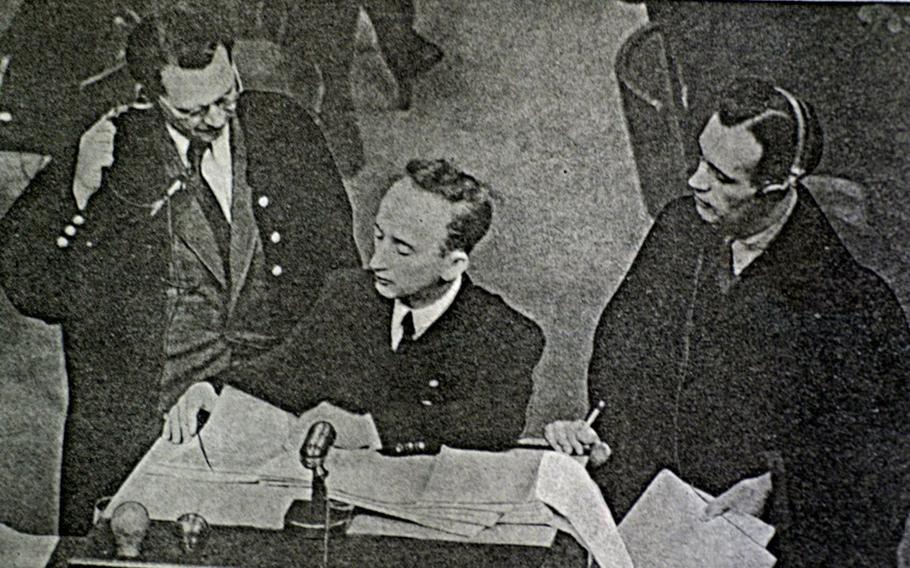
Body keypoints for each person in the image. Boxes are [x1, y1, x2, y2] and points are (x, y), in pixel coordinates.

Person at [0, 3, 357, 535]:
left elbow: (340, 279)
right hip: (139, 428)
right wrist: (77, 194)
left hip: (269, 407)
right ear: (149, 96)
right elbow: (35, 288)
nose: (216, 119)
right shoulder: (108, 147)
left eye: (227, 95)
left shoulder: (287, 131)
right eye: (192, 111)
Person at [545, 78, 909, 565]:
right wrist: (603, 434)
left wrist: (777, 488)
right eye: (700, 160)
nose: (696, 182)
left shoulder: (854, 297)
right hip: (657, 516)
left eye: (721, 176)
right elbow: (620, 352)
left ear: (776, 187)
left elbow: (880, 453)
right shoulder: (678, 229)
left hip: (760, 543)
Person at [171, 159, 544, 454]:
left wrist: (372, 428)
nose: (376, 261)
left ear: (453, 265)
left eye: (402, 249)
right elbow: (284, 368)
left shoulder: (505, 334)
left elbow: (494, 419)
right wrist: (214, 389)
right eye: (379, 236)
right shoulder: (347, 296)